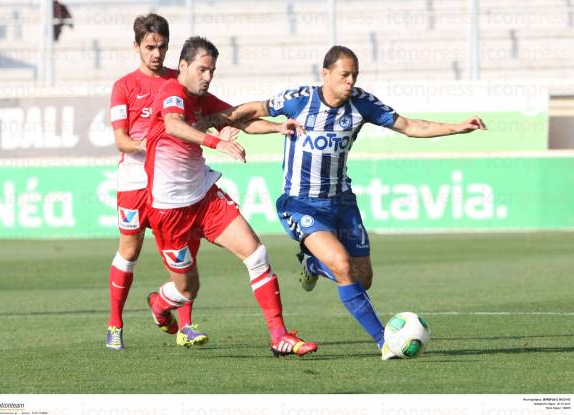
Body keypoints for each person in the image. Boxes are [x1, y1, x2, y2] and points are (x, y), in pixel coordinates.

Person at [203, 45, 486, 360]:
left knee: (362, 277)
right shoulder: (300, 100)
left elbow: (408, 126)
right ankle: (384, 342)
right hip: (301, 203)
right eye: (344, 75)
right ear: (325, 74)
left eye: (354, 75)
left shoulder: (362, 104)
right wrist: (212, 121)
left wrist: (457, 127)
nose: (350, 81)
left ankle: (312, 263)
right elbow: (254, 108)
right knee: (341, 266)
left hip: (342, 201)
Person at [144, 36, 317, 356]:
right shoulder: (172, 92)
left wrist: (279, 127)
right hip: (169, 211)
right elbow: (172, 125)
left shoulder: (203, 98)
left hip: (204, 198)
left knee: (256, 254)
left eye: (211, 71)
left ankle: (279, 336)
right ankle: (159, 303)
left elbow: (241, 120)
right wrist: (217, 143)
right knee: (187, 289)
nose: (207, 77)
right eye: (201, 69)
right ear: (183, 66)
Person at [106, 14, 178, 351]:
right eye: (150, 46)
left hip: (170, 178)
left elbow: (199, 117)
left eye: (162, 47)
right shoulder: (124, 86)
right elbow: (120, 139)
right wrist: (142, 146)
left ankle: (185, 325)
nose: (156, 53)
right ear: (137, 46)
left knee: (177, 250)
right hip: (134, 179)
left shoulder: (177, 82)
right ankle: (115, 325)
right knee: (130, 250)